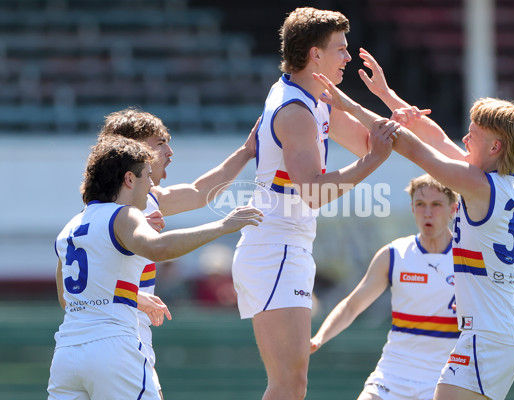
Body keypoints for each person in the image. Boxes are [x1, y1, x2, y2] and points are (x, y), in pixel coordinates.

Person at [312, 52, 514, 400]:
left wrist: (348, 104)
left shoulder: (478, 185)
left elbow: (411, 147)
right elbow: (438, 139)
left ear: (495, 146)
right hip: (494, 336)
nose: (464, 139)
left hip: (486, 338)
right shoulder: (499, 181)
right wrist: (387, 94)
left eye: (473, 135)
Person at [231, 7, 398, 400]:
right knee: (289, 385)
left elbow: (365, 140)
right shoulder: (295, 109)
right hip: (275, 247)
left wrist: (389, 108)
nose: (347, 56)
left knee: (292, 385)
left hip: (286, 246)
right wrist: (372, 163)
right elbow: (315, 190)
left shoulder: (312, 95)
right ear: (314, 54)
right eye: (340, 49)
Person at [48, 136, 262, 399]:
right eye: (146, 176)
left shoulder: (69, 227)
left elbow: (68, 299)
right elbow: (158, 248)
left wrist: (133, 297)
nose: (151, 185)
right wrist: (223, 226)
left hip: (66, 355)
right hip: (113, 349)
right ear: (129, 179)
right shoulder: (123, 214)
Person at [98, 107, 259, 398]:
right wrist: (224, 226)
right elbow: (151, 249)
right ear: (129, 149)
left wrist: (247, 152)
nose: (170, 152)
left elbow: (200, 192)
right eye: (160, 143)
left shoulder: (135, 201)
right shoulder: (117, 214)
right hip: (121, 337)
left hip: (93, 342)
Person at [310, 174, 459, 400]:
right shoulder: (394, 254)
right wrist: (319, 338)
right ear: (412, 208)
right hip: (393, 373)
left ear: (452, 209)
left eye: (436, 205)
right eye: (420, 204)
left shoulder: (469, 260)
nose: (427, 213)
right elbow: (352, 305)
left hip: (444, 378)